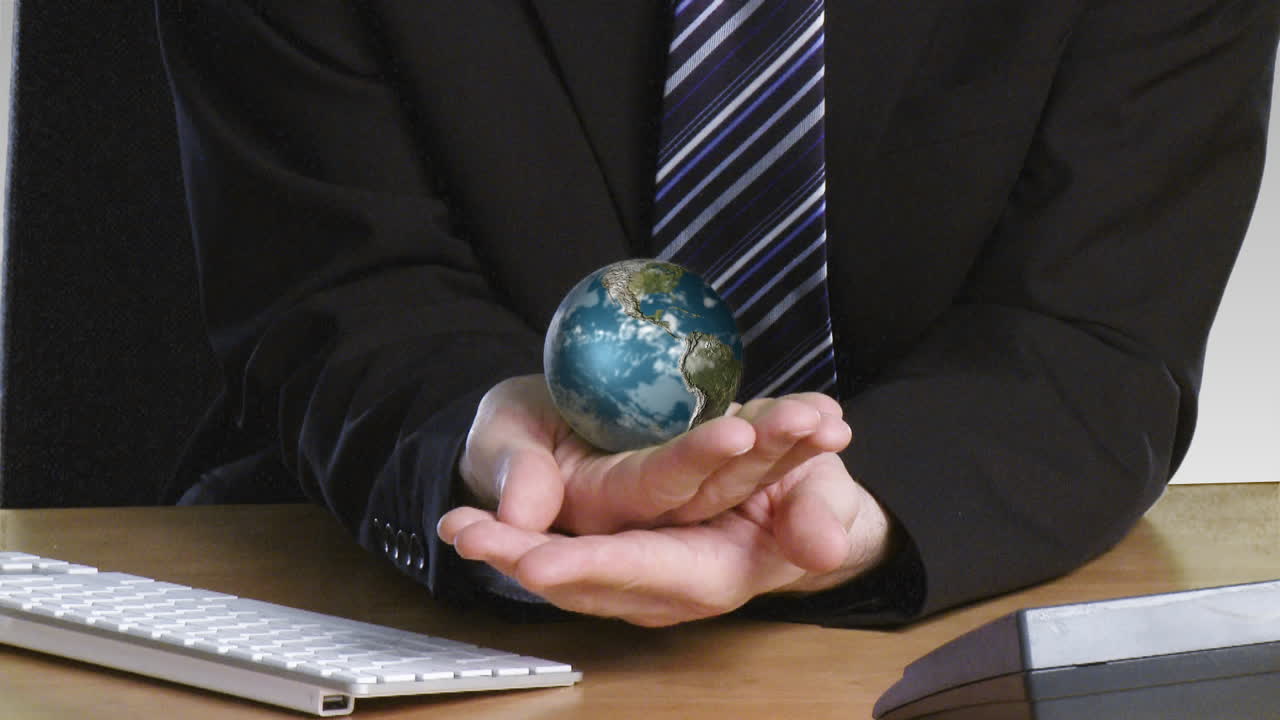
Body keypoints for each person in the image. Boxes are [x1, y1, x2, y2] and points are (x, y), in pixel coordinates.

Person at [154, 1, 1279, 627]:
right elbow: (341, 291)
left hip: (931, 633)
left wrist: (850, 510)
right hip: (393, 612)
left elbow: (1089, 332)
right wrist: (484, 441)